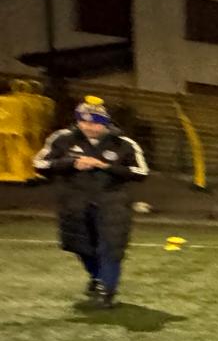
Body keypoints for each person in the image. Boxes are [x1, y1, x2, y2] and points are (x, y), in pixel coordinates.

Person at [32, 96, 150, 308]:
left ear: (105, 123)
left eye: (95, 122)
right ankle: (97, 276)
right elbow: (40, 165)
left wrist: (106, 166)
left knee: (111, 248)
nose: (89, 126)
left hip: (112, 204)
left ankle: (107, 291)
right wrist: (71, 163)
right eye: (84, 121)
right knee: (81, 246)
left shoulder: (123, 143)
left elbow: (141, 172)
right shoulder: (62, 139)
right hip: (74, 204)